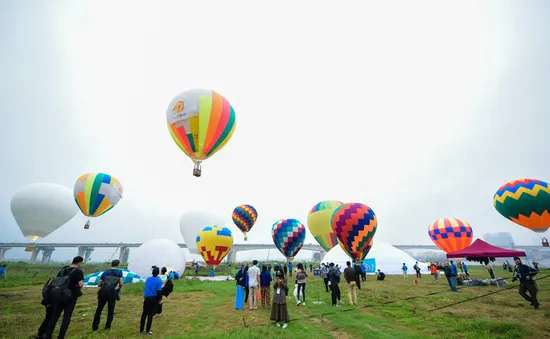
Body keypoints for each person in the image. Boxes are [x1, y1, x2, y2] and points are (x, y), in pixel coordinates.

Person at [45, 256, 85, 339]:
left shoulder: (62, 270)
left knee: (54, 316)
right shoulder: (78, 271)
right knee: (67, 317)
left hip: (58, 295)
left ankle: (48, 336)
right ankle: (61, 336)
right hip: (70, 296)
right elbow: (80, 284)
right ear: (79, 262)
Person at [92, 260, 123, 331]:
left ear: (111, 264)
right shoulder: (119, 272)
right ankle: (107, 326)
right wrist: (119, 289)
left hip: (103, 292)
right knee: (111, 310)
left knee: (99, 309)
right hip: (113, 293)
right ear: (118, 265)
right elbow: (121, 283)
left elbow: (99, 284)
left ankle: (95, 326)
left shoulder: (105, 272)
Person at [140, 267, 163, 335]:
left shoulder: (148, 279)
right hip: (153, 298)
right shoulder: (159, 281)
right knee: (150, 315)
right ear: (158, 273)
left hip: (147, 298)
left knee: (144, 314)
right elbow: (159, 291)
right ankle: (147, 330)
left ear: (152, 273)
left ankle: (141, 329)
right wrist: (159, 300)